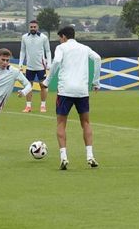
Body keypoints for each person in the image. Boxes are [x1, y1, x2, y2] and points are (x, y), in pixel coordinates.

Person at [48, 26, 102, 170]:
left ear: (64, 37)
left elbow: (57, 62)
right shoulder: (84, 48)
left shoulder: (62, 48)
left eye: (60, 38)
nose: (60, 41)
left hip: (65, 90)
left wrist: (47, 81)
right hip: (82, 91)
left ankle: (64, 157)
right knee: (85, 122)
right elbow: (97, 58)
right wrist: (96, 81)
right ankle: (90, 156)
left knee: (61, 123)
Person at [19, 19, 51, 113]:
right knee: (29, 86)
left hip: (41, 66)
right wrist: (21, 64)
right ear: (29, 27)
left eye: (34, 27)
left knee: (43, 86)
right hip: (29, 66)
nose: (33, 28)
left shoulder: (44, 38)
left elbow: (48, 51)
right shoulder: (24, 37)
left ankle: (43, 105)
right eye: (31, 27)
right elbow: (22, 51)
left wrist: (49, 63)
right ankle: (28, 106)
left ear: (38, 27)